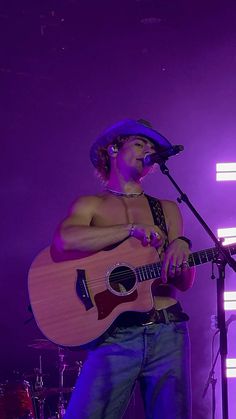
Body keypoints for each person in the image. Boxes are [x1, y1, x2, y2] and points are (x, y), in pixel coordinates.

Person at [52, 119, 196, 419]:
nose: (148, 150)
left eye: (153, 147)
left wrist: (182, 245)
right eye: (140, 143)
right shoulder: (91, 204)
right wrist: (130, 229)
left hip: (168, 330)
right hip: (114, 333)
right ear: (115, 148)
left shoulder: (167, 208)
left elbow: (183, 283)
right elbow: (64, 240)